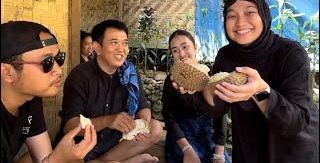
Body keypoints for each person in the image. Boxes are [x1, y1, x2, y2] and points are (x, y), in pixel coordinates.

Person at [174, 0, 319, 163]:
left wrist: (261, 92)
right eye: (232, 16)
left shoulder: (291, 54)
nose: (240, 22)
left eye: (249, 12)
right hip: (248, 147)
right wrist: (198, 89)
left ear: (264, 16)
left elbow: (296, 122)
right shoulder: (226, 55)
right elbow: (219, 108)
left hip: (292, 151)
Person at [56, 19, 164, 162]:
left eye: (125, 43)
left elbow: (143, 106)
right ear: (97, 48)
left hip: (115, 142)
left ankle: (103, 161)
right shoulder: (80, 76)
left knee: (155, 127)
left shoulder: (130, 73)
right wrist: (108, 121)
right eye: (114, 42)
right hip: (83, 145)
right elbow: (69, 126)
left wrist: (142, 124)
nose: (121, 48)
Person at [1, 21, 97, 163]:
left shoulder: (30, 98)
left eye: (59, 58)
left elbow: (43, 157)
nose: (58, 69)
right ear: (7, 72)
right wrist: (58, 159)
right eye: (47, 62)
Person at [162, 29, 230, 163]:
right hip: (182, 135)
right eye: (175, 50)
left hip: (208, 133)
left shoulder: (211, 75)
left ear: (195, 47)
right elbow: (169, 117)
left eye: (185, 47)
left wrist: (219, 154)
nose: (181, 54)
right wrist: (186, 148)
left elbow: (220, 115)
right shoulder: (171, 81)